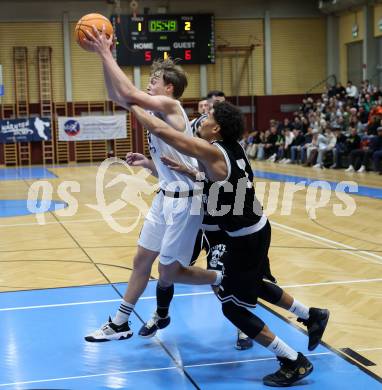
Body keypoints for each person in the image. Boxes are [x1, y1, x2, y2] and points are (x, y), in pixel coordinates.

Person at [129, 101, 329, 387]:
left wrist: (134, 106)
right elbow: (219, 181)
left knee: (231, 307)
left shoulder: (212, 150)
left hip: (244, 237)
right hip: (252, 231)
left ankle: (292, 360)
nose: (202, 119)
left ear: (217, 128)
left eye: (208, 116)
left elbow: (169, 134)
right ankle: (312, 315)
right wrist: (188, 172)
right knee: (254, 284)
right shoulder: (231, 149)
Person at [84, 25, 222, 342]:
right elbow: (115, 94)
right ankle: (120, 322)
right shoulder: (155, 108)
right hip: (165, 196)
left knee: (168, 272)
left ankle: (222, 278)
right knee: (141, 260)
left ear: (169, 88)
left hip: (187, 200)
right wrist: (150, 164)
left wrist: (107, 52)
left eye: (154, 81)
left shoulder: (173, 108)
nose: (149, 84)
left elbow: (126, 95)